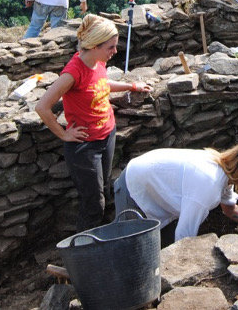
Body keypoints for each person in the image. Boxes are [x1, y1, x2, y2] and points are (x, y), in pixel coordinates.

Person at [35, 14, 152, 231]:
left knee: (104, 189)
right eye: (110, 47)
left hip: (107, 134)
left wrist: (131, 86)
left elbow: (102, 82)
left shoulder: (97, 62)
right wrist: (63, 134)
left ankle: (99, 239)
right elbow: (42, 107)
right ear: (94, 46)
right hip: (84, 146)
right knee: (94, 204)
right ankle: (84, 251)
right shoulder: (72, 72)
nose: (114, 52)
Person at [113, 139, 238, 243]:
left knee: (159, 247)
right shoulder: (208, 186)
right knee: (131, 252)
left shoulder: (225, 171)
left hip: (153, 189)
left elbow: (230, 209)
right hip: (134, 191)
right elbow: (184, 237)